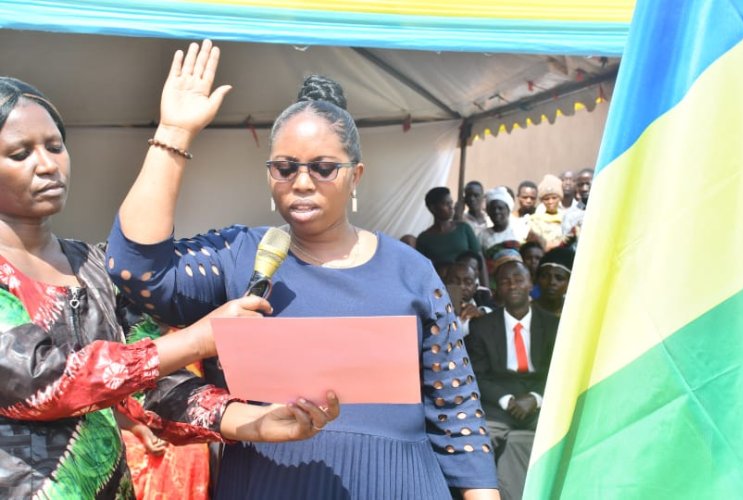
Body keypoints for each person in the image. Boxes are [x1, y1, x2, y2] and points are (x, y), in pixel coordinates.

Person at [105, 40, 499, 499]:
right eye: (285, 168)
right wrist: (173, 134)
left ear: (356, 175)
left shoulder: (411, 271)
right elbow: (135, 270)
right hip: (268, 483)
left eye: (324, 168)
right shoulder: (239, 254)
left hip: (397, 484)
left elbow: (457, 411)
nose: (303, 182)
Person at [0, 76, 338, 497]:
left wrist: (252, 421)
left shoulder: (92, 264)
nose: (48, 165)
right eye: (20, 153)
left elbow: (152, 386)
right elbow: (42, 381)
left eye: (54, 146)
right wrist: (198, 339)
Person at [466, 254, 559, 500]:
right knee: (476, 443)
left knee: (556, 437)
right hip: (498, 405)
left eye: (519, 279)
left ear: (531, 284)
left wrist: (536, 398)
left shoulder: (553, 325)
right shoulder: (482, 327)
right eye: (505, 281)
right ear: (497, 289)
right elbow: (477, 375)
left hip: (541, 404)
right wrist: (507, 400)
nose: (513, 285)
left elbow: (559, 371)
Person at [417, 186, 482, 266]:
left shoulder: (464, 228)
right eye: (446, 204)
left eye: (451, 203)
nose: (451, 207)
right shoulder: (424, 239)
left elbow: (479, 257)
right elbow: (422, 267)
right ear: (433, 208)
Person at [533, 246, 575, 317]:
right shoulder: (524, 312)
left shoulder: (575, 314)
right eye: (545, 276)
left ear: (569, 282)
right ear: (537, 279)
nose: (551, 282)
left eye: (559, 278)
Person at [528, 174, 565, 251]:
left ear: (560, 198)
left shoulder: (567, 218)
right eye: (546, 199)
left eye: (554, 198)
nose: (550, 202)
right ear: (542, 201)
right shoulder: (535, 220)